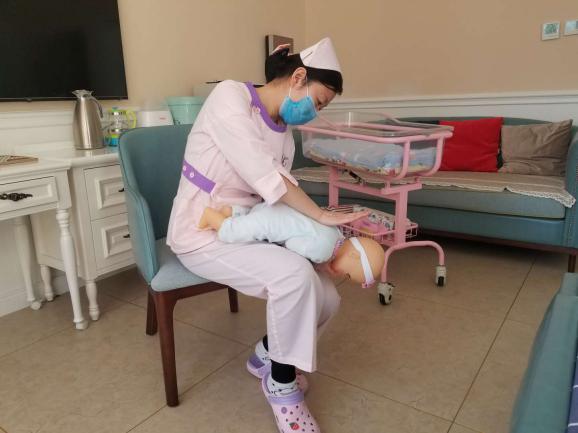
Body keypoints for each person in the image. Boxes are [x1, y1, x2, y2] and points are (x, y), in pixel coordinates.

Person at [167, 37, 363, 433]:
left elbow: (275, 205)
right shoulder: (229, 97)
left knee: (327, 296)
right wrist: (320, 215)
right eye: (319, 102)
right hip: (203, 228)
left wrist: (318, 245)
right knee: (294, 278)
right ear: (298, 77)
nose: (315, 112)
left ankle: (268, 354)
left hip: (251, 227)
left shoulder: (284, 135)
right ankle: (281, 385)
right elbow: (267, 176)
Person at [198, 202, 385, 286]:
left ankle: (230, 211)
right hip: (271, 223)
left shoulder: (335, 232)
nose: (342, 275)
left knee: (249, 218)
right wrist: (320, 264)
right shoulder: (324, 252)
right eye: (348, 274)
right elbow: (293, 245)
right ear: (354, 255)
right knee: (234, 232)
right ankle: (211, 216)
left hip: (275, 208)